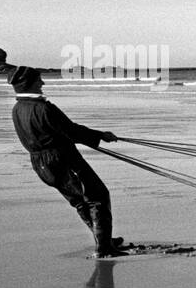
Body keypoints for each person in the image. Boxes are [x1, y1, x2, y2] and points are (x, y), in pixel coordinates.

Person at [8, 65, 129, 257]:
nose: (42, 83)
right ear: (29, 83)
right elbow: (71, 131)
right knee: (97, 196)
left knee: (80, 201)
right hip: (63, 160)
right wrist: (101, 136)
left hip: (41, 164)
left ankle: (104, 240)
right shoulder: (44, 108)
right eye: (39, 79)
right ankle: (104, 248)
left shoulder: (17, 109)